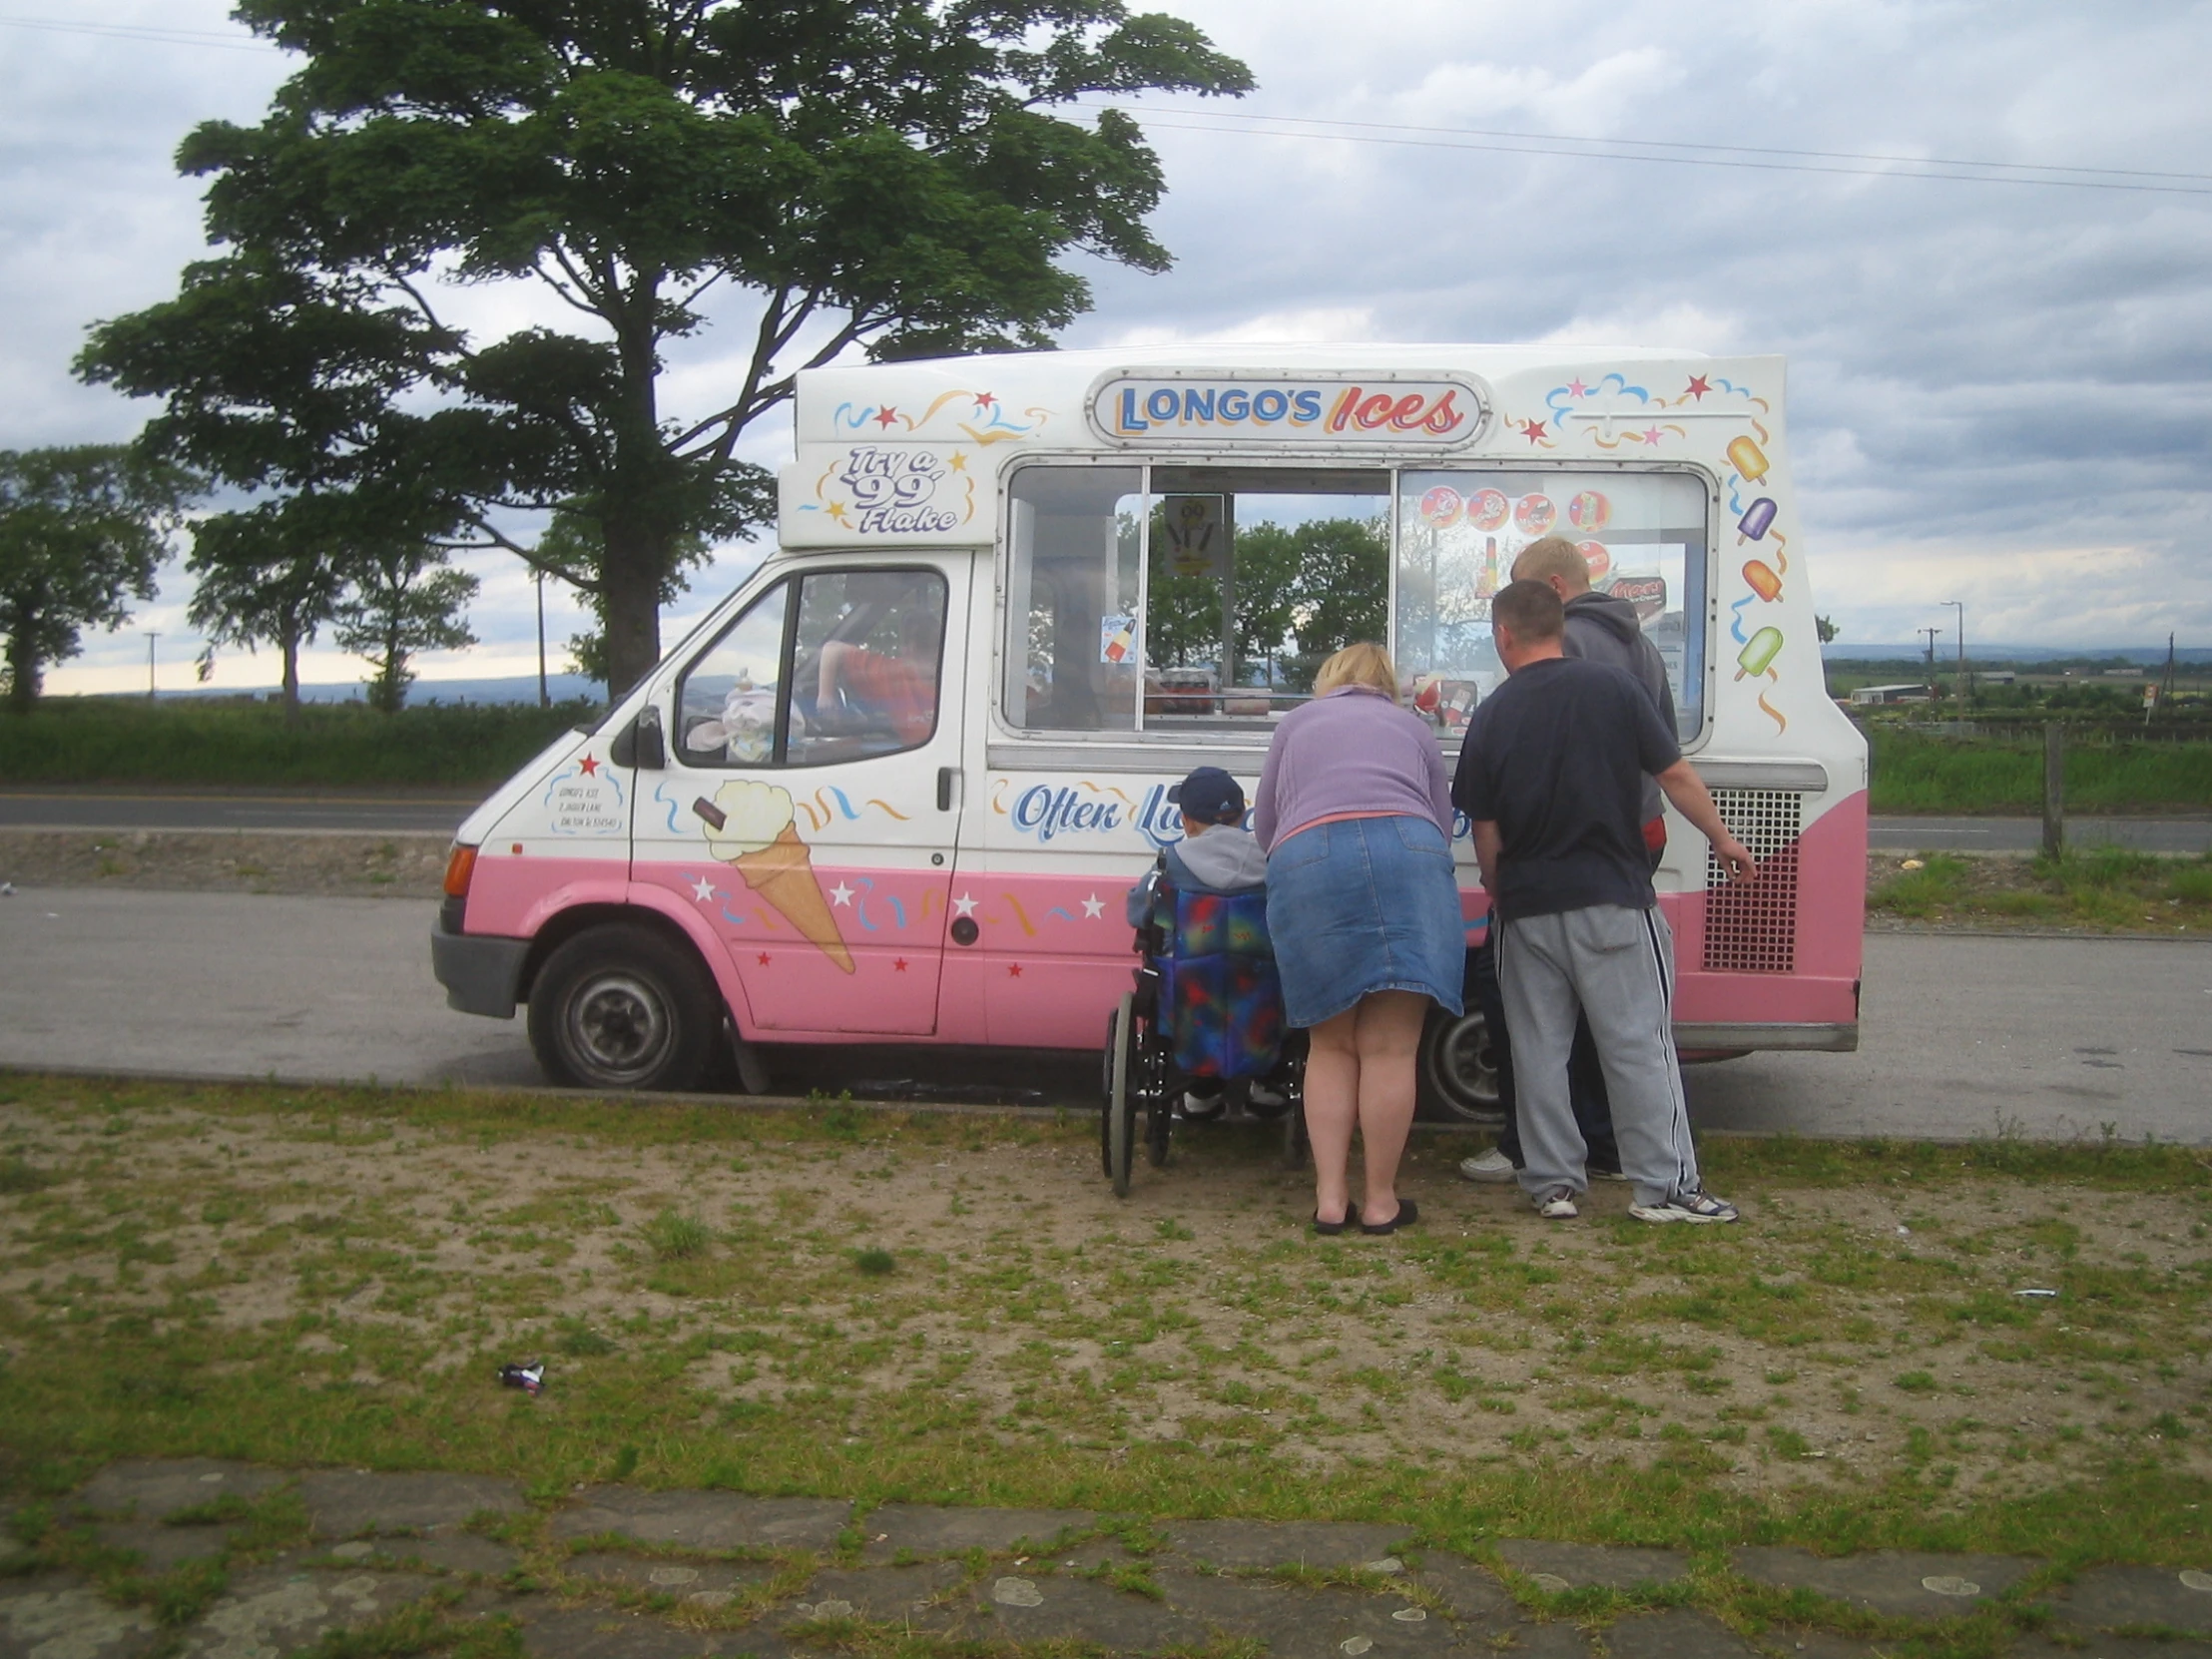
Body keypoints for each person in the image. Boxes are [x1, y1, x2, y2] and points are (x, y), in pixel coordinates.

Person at [1453, 580, 1754, 1224]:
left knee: (1537, 1052)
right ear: (1558, 628)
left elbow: (1486, 829)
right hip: (1612, 897)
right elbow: (1674, 775)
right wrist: (1724, 838)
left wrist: (1503, 892)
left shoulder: (1493, 713)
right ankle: (1666, 1188)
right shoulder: (1613, 690)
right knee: (1637, 1045)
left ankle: (1553, 1185)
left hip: (1527, 909)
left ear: (1504, 635)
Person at [1458, 532, 1673, 1189]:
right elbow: (1661, 747)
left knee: (1532, 1009)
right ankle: (1611, 1150)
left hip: (1579, 846)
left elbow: (1550, 761)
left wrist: (1504, 871)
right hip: (1638, 832)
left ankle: (1543, 1148)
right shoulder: (1641, 644)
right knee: (1615, 1014)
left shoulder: (1567, 651)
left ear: (1548, 593)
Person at [1253, 643, 1463, 1237]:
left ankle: (1328, 1199)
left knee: (1332, 1046)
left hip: (1311, 855)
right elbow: (1442, 822)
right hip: (1408, 852)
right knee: (1391, 1048)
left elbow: (1267, 823)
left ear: (1331, 679)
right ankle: (1380, 1201)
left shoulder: (1296, 723)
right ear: (1386, 684)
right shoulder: (1411, 727)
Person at [1124, 766, 1286, 1119]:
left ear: (1187, 821)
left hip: (1191, 999)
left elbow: (1139, 916)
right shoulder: (1273, 862)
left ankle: (1201, 1090)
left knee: (1175, 980)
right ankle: (1268, 1084)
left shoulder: (1169, 866)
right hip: (1261, 1000)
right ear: (1242, 815)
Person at [817, 599, 940, 746]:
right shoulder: (894, 674)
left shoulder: (893, 674)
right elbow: (832, 649)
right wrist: (826, 696)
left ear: (909, 647)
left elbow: (832, 650)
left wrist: (825, 697)